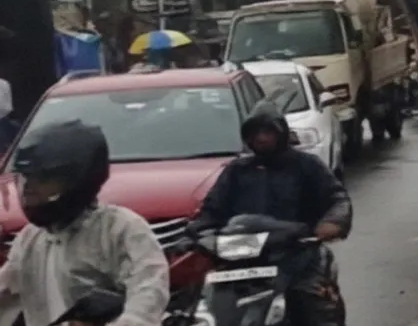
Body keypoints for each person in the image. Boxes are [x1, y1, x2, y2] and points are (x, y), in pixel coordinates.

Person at [191, 101, 352, 326]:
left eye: (268, 132)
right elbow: (211, 210)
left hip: (296, 255)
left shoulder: (306, 165)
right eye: (255, 133)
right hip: (240, 260)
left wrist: (332, 222)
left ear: (281, 133)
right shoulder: (236, 171)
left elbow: (337, 198)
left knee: (314, 304)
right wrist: (198, 233)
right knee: (197, 304)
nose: (261, 138)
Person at [0, 120, 169, 326]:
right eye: (25, 179)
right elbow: (5, 289)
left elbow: (148, 292)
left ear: (78, 179)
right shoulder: (31, 239)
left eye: (42, 179)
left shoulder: (119, 229)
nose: (30, 189)